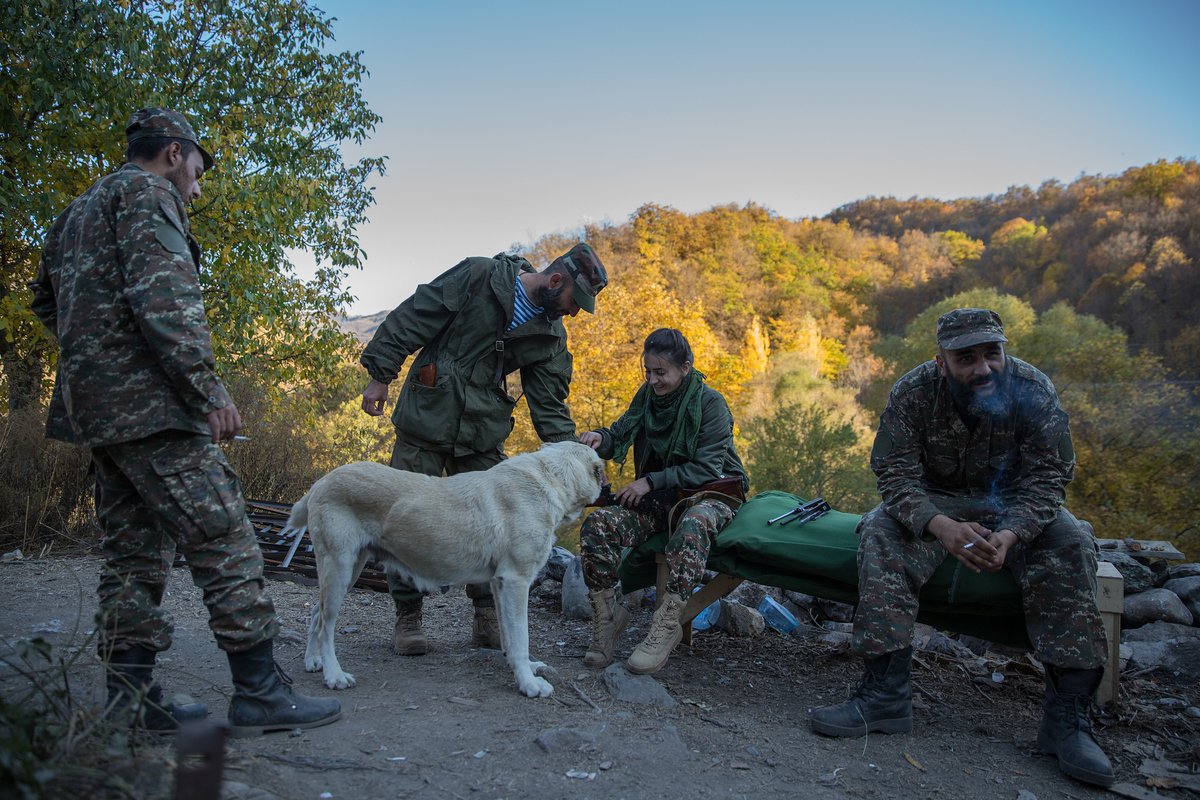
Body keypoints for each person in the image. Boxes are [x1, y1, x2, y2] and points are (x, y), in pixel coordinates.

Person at [30, 107, 341, 736]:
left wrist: (97, 359)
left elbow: (45, 301)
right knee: (224, 536)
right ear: (174, 153)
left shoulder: (76, 213)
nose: (196, 189)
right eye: (197, 171)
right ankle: (259, 693)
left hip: (99, 415)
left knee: (133, 554)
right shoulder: (149, 195)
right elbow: (165, 300)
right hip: (156, 410)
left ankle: (129, 701)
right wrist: (206, 390)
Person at [809, 308, 1114, 787]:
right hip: (939, 503)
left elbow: (1049, 477)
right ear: (941, 361)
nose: (983, 367)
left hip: (1015, 506)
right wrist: (940, 526)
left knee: (1072, 542)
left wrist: (1012, 533)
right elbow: (894, 474)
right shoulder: (914, 392)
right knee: (880, 531)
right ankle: (885, 696)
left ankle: (1067, 720)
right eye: (966, 358)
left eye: (992, 353)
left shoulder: (1034, 389)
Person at [359, 241, 609, 655]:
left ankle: (487, 616)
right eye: (574, 301)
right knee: (403, 514)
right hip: (426, 413)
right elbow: (414, 316)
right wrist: (381, 374)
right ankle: (408, 616)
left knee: (493, 523)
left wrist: (580, 462)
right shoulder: (479, 276)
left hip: (482, 430)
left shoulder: (550, 336)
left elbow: (550, 406)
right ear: (555, 280)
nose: (574, 312)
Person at [577, 328, 747, 675]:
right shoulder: (647, 397)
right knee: (598, 525)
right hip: (661, 499)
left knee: (694, 524)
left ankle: (668, 624)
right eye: (648, 371)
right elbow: (619, 434)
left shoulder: (710, 404)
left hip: (712, 493)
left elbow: (706, 468)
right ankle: (607, 619)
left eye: (660, 372)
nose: (653, 380)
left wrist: (649, 481)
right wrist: (599, 438)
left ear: (685, 368)